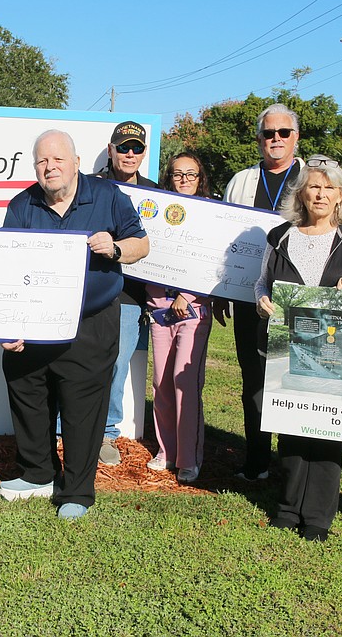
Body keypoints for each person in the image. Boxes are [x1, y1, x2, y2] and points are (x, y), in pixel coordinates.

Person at [0, 129, 149, 519]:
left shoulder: (108, 196)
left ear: (77, 162)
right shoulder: (21, 205)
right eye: (42, 161)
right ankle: (37, 474)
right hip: (34, 321)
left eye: (58, 159)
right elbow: (6, 267)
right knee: (27, 389)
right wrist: (9, 324)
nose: (50, 168)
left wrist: (115, 248)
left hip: (91, 321)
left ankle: (77, 491)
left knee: (84, 406)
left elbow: (141, 244)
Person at [254, 156, 342, 541]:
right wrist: (262, 301)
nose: (321, 194)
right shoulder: (280, 235)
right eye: (314, 186)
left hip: (338, 349)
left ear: (341, 195)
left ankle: (317, 517)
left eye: (329, 188)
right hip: (288, 347)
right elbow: (262, 283)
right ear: (301, 193)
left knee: (327, 427)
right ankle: (288, 506)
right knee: (292, 424)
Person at [215, 103, 304, 481]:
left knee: (296, 380)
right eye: (269, 133)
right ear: (259, 139)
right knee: (253, 380)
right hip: (250, 297)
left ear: (295, 137)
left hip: (299, 301)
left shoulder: (312, 179)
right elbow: (222, 241)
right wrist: (220, 289)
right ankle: (257, 461)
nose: (276, 140)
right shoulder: (241, 181)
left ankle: (292, 464)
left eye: (283, 133)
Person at [146, 153, 214, 483]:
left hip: (192, 312)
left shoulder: (212, 214)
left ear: (201, 178)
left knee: (183, 383)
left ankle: (189, 458)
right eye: (177, 174)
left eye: (191, 174)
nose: (184, 179)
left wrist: (189, 293)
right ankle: (166, 451)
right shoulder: (157, 212)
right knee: (161, 383)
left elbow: (216, 263)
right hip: (160, 311)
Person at [94, 120, 159, 465]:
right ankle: (65, 428)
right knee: (77, 361)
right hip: (91, 289)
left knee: (116, 365)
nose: (129, 154)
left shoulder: (157, 193)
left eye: (136, 148)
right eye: (123, 147)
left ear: (144, 153)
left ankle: (106, 433)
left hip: (131, 294)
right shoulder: (91, 187)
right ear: (111, 150)